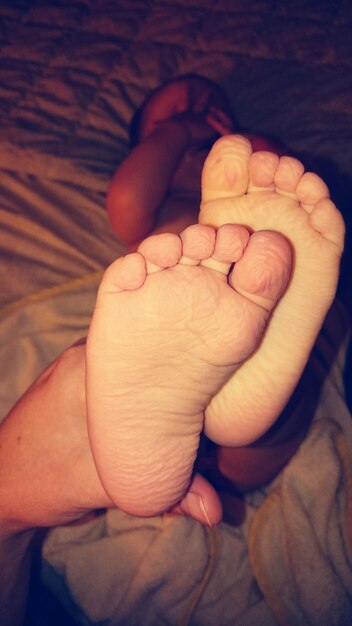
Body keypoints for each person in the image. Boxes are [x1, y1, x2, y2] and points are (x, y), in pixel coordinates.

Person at [0, 76, 345, 625]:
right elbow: (127, 203)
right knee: (144, 341)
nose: (196, 105)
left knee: (268, 379)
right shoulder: (161, 182)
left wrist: (243, 144)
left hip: (242, 284)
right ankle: (236, 385)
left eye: (210, 101)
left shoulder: (241, 162)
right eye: (175, 105)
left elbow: (294, 184)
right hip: (176, 305)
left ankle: (248, 388)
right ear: (141, 135)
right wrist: (178, 136)